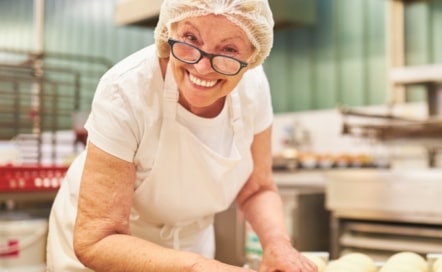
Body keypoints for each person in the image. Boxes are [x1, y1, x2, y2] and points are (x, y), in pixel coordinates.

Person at [46, 0, 317, 271]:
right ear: (169, 31)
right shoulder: (125, 91)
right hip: (110, 251)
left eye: (229, 49)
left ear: (251, 58)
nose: (202, 67)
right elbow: (97, 239)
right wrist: (198, 267)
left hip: (190, 250)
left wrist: (278, 244)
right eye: (190, 38)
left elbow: (257, 188)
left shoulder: (253, 88)